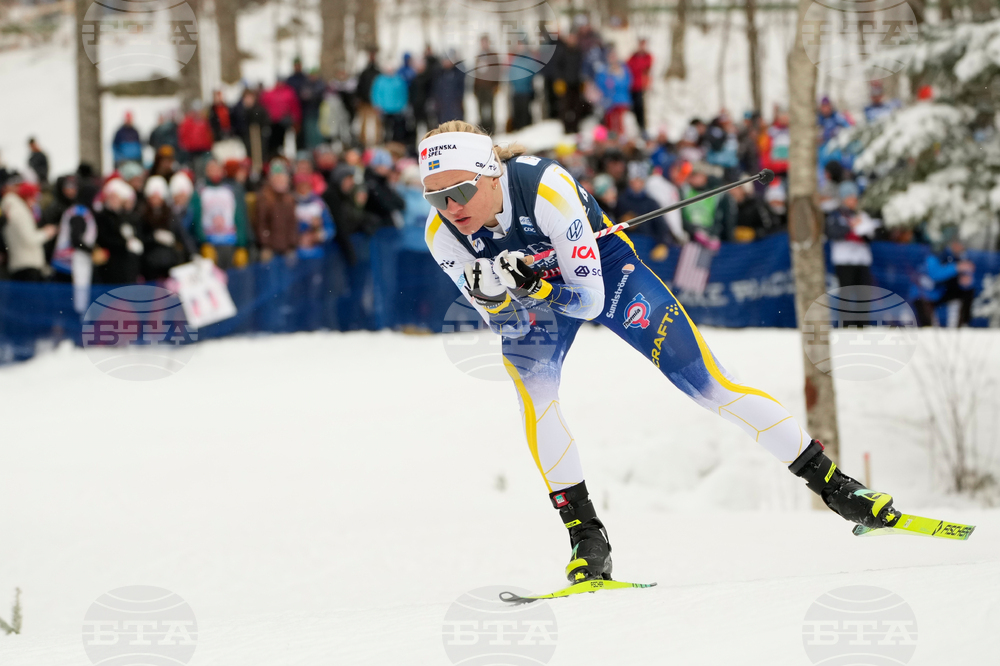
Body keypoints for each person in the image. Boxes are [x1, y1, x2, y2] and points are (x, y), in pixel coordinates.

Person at [419, 121, 905, 584]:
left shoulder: (546, 188)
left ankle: (837, 489)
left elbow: (587, 302)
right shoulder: (442, 234)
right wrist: (496, 298)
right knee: (536, 394)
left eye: (459, 192)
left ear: (490, 174)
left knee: (709, 384)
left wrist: (540, 288)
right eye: (436, 197)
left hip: (607, 277)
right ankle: (586, 538)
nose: (451, 208)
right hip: (535, 299)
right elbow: (508, 325)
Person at [190, 158, 249, 270]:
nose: (214, 172)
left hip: (230, 242)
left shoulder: (231, 190)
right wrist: (202, 240)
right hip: (210, 242)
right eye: (211, 169)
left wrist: (241, 243)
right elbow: (197, 218)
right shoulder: (200, 191)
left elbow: (240, 217)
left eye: (217, 169)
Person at [137, 175, 197, 280]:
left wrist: (193, 254)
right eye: (153, 196)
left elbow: (182, 235)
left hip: (169, 261)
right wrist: (154, 237)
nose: (155, 199)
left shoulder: (169, 214)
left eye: (158, 196)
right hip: (150, 262)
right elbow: (140, 237)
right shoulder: (143, 214)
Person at [913, 235, 976, 327]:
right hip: (923, 295)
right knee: (928, 328)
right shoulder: (934, 256)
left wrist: (966, 278)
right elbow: (935, 275)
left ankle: (962, 325)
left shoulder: (957, 257)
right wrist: (957, 267)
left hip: (941, 293)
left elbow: (966, 277)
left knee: (967, 292)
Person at [825, 180, 877, 288]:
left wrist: (866, 230)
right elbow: (832, 233)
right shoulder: (836, 214)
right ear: (844, 198)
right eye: (850, 198)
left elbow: (870, 237)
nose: (854, 201)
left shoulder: (861, 214)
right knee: (846, 298)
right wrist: (850, 226)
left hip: (862, 260)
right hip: (844, 261)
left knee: (863, 298)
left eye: (855, 198)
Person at [1, 181, 56, 281]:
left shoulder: (15, 210)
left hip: (22, 265)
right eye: (35, 197)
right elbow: (29, 239)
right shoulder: (20, 212)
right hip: (26, 266)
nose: (36, 202)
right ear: (28, 197)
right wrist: (46, 233)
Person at [94, 178, 143, 284]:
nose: (114, 201)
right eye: (112, 197)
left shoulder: (125, 216)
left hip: (127, 264)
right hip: (110, 263)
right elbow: (104, 238)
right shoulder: (102, 216)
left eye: (117, 198)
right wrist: (125, 244)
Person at [255, 159, 299, 264]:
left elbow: (292, 223)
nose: (280, 180)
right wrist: (265, 245)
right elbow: (261, 223)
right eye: (277, 177)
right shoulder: (264, 198)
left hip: (287, 248)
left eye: (282, 177)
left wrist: (292, 244)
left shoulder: (289, 199)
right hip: (270, 248)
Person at [625, 39, 653, 134]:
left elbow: (645, 68)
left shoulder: (647, 57)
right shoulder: (633, 57)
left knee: (640, 107)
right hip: (632, 86)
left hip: (641, 86)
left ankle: (642, 127)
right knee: (633, 107)